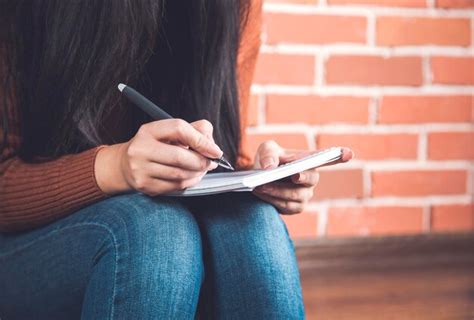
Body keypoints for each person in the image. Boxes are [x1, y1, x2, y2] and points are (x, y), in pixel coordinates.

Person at [0, 0, 352, 319]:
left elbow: (224, 147)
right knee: (152, 233)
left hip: (154, 233)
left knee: (253, 221)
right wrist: (115, 166)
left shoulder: (235, 7)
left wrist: (259, 175)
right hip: (26, 246)